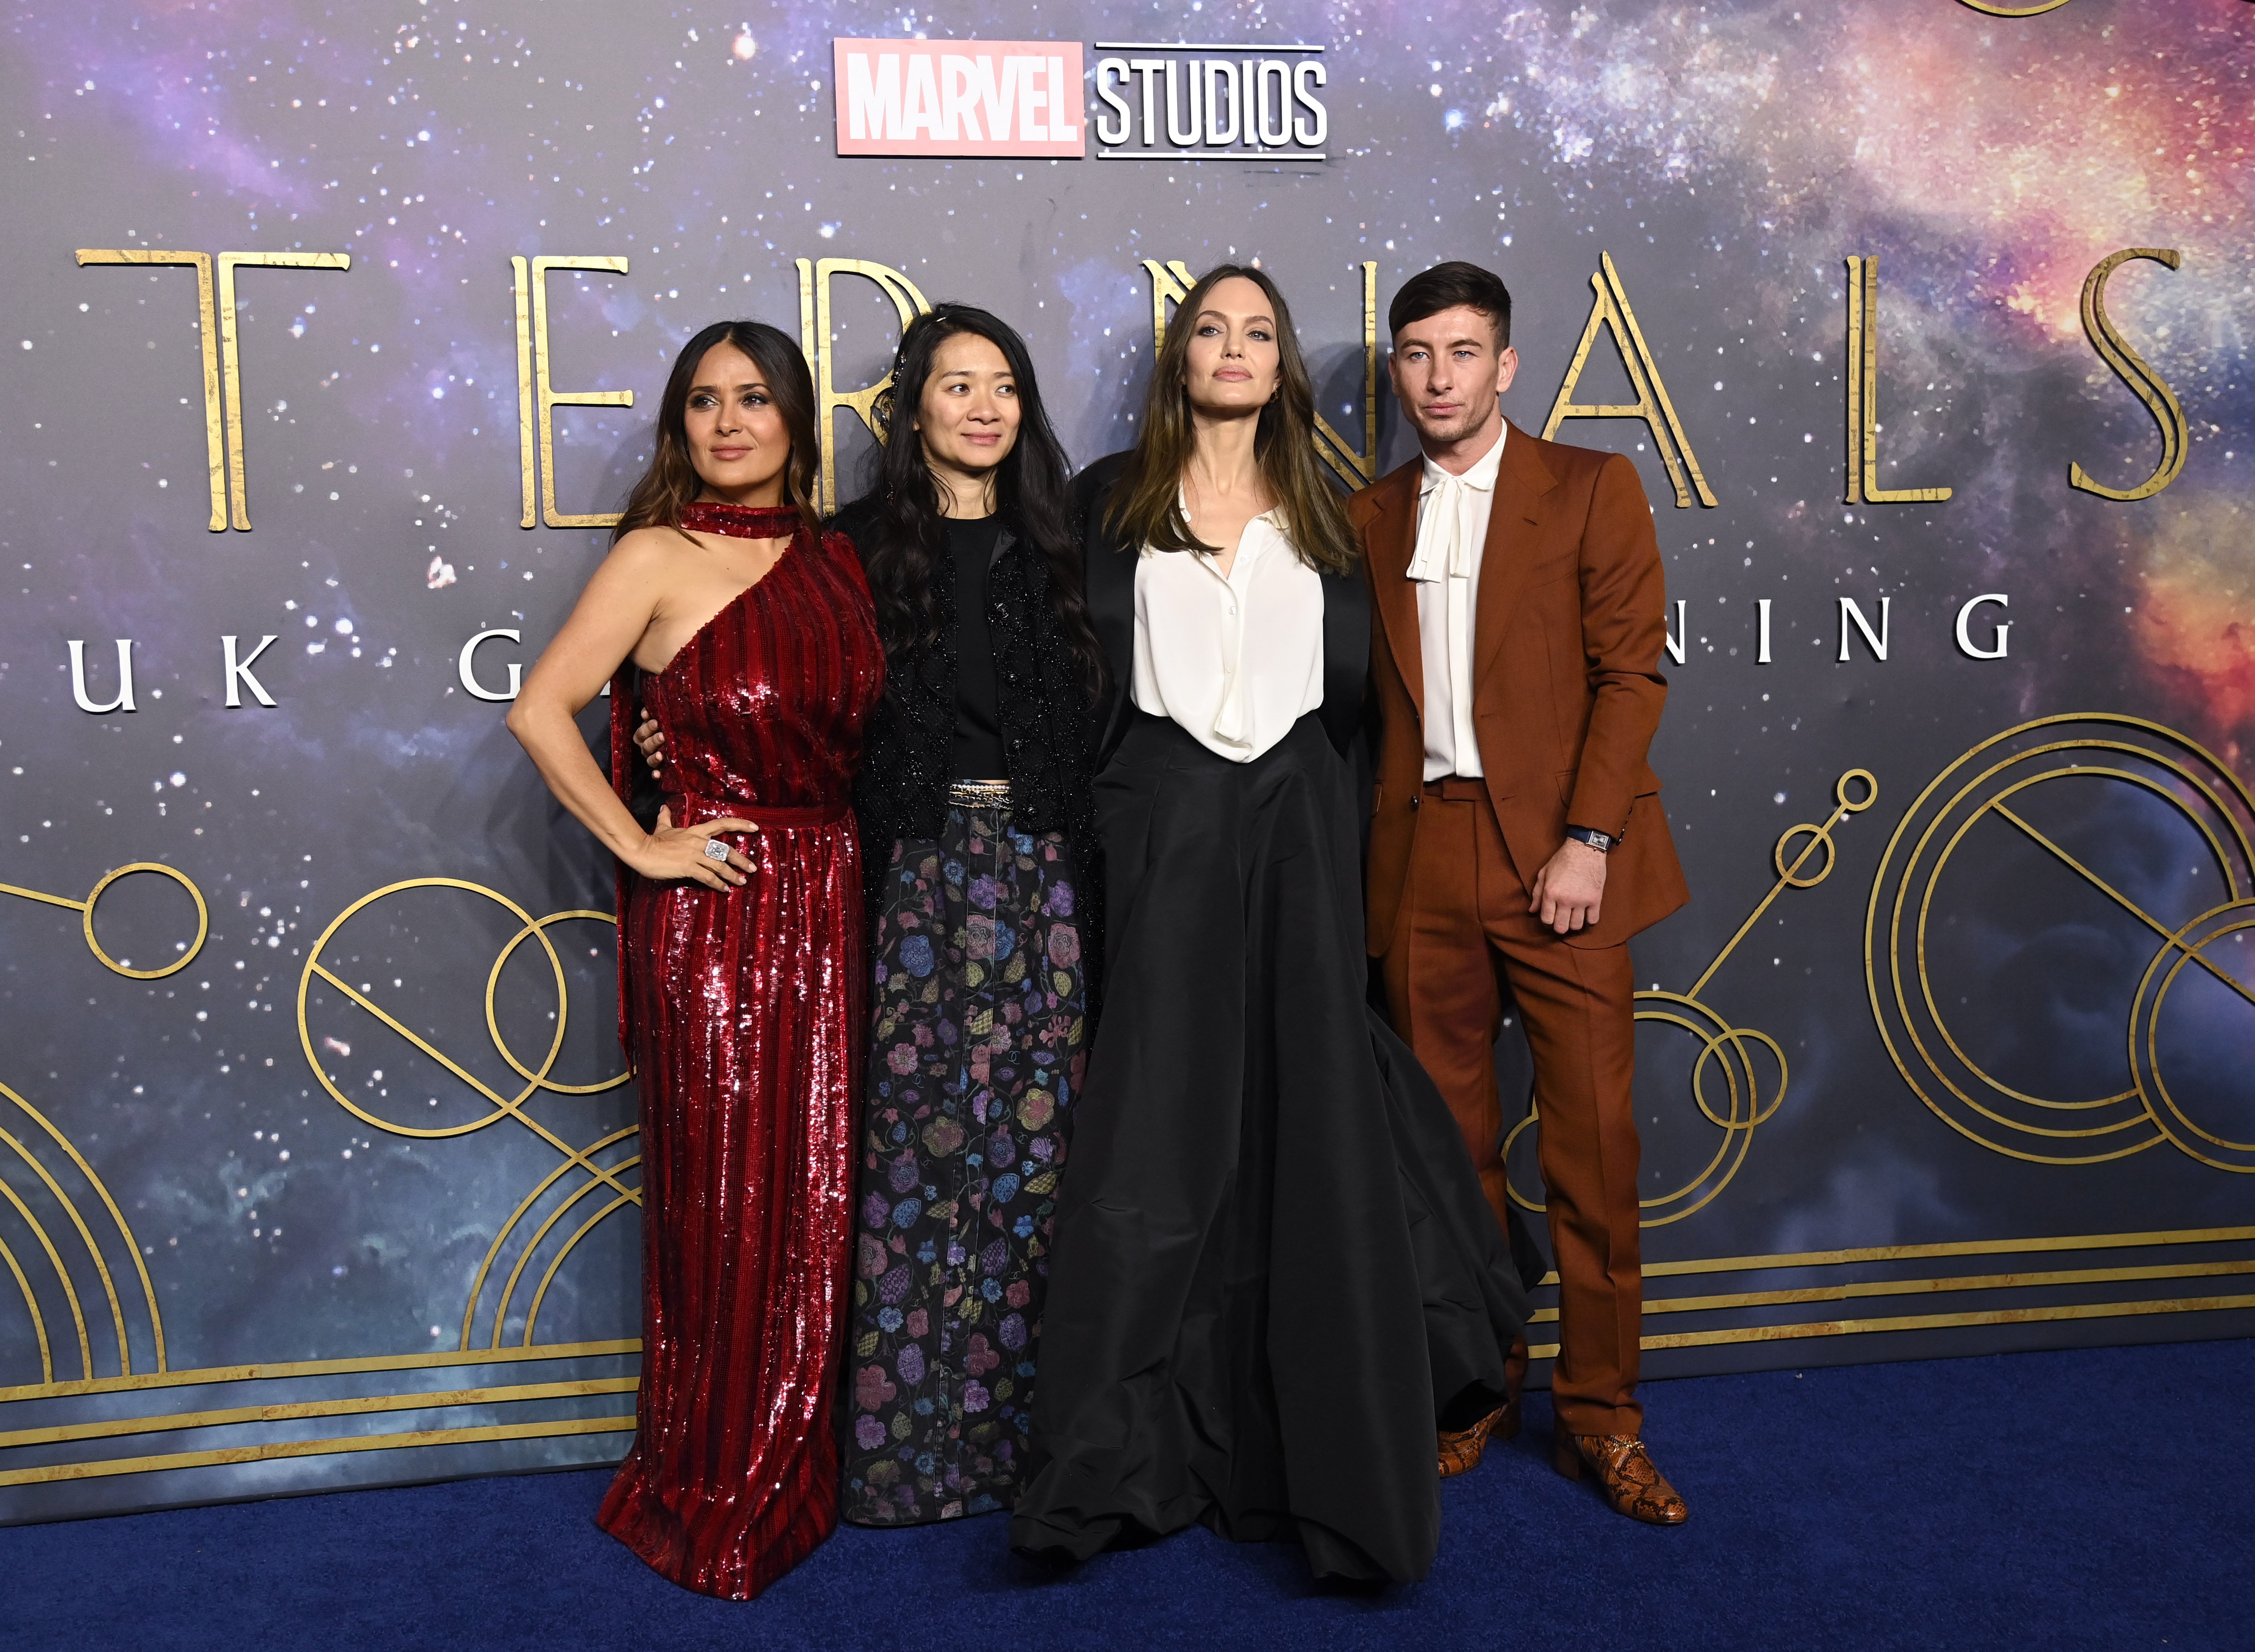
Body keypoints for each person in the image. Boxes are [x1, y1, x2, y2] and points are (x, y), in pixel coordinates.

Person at [1008, 265, 1531, 1585]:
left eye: (1258, 332)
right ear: (1179, 356)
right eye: (1209, 329)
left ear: (1282, 361)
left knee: (1308, 1128)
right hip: (1162, 826)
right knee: (1161, 1131)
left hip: (1303, 828)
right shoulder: (1105, 501)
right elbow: (1070, 687)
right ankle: (1118, 1463)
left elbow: (1365, 706)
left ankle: (1326, 1469)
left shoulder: (1335, 508)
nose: (1232, 349)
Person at [648, 306, 1106, 1523]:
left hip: (1043, 875)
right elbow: (754, 681)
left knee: (1030, 1163)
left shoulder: (1062, 541)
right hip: (902, 873)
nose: (982, 407)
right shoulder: (843, 551)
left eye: (1003, 385)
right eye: (956, 386)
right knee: (906, 1164)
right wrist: (663, 742)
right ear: (911, 411)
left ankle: (1016, 1453)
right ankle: (904, 1463)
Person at [504, 319, 885, 1597]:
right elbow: (542, 707)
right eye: (706, 404)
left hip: (832, 906)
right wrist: (644, 841)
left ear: (795, 420)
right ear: (681, 430)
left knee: (812, 1198)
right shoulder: (655, 556)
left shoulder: (843, 559)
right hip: (716, 926)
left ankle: (793, 1457)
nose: (730, 424)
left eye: (756, 399)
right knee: (726, 1207)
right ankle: (714, 1473)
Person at [1352, 261, 1691, 1524]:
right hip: (1420, 857)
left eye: (1463, 352)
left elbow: (1632, 678)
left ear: (1506, 366)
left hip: (1561, 860)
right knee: (1448, 1159)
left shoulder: (1591, 488)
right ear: (1399, 370)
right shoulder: (1366, 513)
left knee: (1596, 1149)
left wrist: (1590, 837)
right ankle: (1474, 1383)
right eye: (1417, 354)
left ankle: (1601, 1415)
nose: (1438, 377)